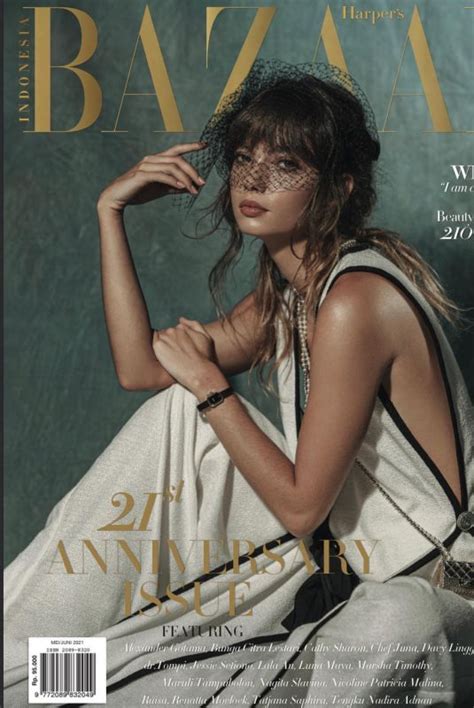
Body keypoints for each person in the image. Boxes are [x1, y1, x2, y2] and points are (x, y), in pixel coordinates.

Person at [4, 60, 473, 707]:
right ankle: (21, 659)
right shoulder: (290, 296)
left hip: (439, 592)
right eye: (245, 158)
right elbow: (142, 369)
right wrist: (110, 211)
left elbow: (303, 507)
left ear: (339, 187)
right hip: (345, 571)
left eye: (286, 165)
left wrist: (209, 384)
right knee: (178, 415)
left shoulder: (355, 300)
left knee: (385, 622)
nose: (253, 179)